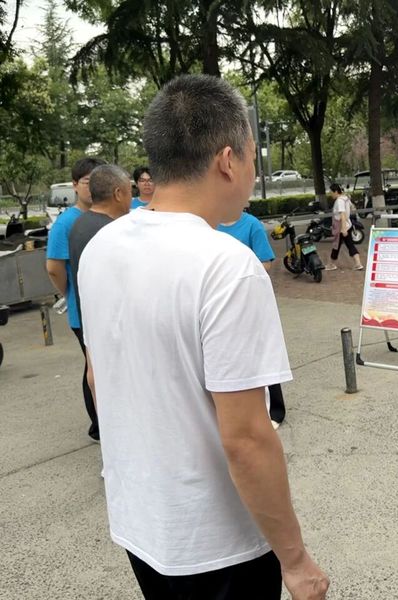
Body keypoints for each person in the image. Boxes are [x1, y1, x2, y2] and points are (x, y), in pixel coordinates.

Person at [78, 74, 329, 600]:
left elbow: (98, 375)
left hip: (140, 525)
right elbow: (247, 438)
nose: (254, 171)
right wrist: (295, 560)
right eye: (253, 156)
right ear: (227, 160)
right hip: (218, 545)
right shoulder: (226, 265)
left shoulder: (103, 247)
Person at [46, 155, 106, 443]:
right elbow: (54, 267)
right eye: (86, 181)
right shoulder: (66, 223)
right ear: (74, 185)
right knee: (92, 366)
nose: (91, 187)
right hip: (81, 310)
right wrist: (69, 293)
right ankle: (98, 425)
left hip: (105, 306)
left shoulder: (106, 216)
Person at [217, 208, 287, 428]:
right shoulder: (210, 224)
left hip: (250, 299)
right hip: (221, 301)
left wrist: (237, 275)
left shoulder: (252, 225)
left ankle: (275, 411)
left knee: (262, 351)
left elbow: (265, 262)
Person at [69, 164, 132, 328]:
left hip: (92, 323)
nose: (131, 199)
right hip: (111, 326)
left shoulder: (80, 223)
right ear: (118, 194)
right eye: (130, 192)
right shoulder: (110, 231)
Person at [325, 183, 363, 271]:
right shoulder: (345, 198)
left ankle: (331, 264)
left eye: (331, 192)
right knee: (349, 245)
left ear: (335, 191)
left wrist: (343, 229)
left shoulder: (339, 201)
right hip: (347, 225)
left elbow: (342, 214)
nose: (330, 194)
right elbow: (353, 207)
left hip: (341, 227)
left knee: (336, 246)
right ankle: (358, 264)